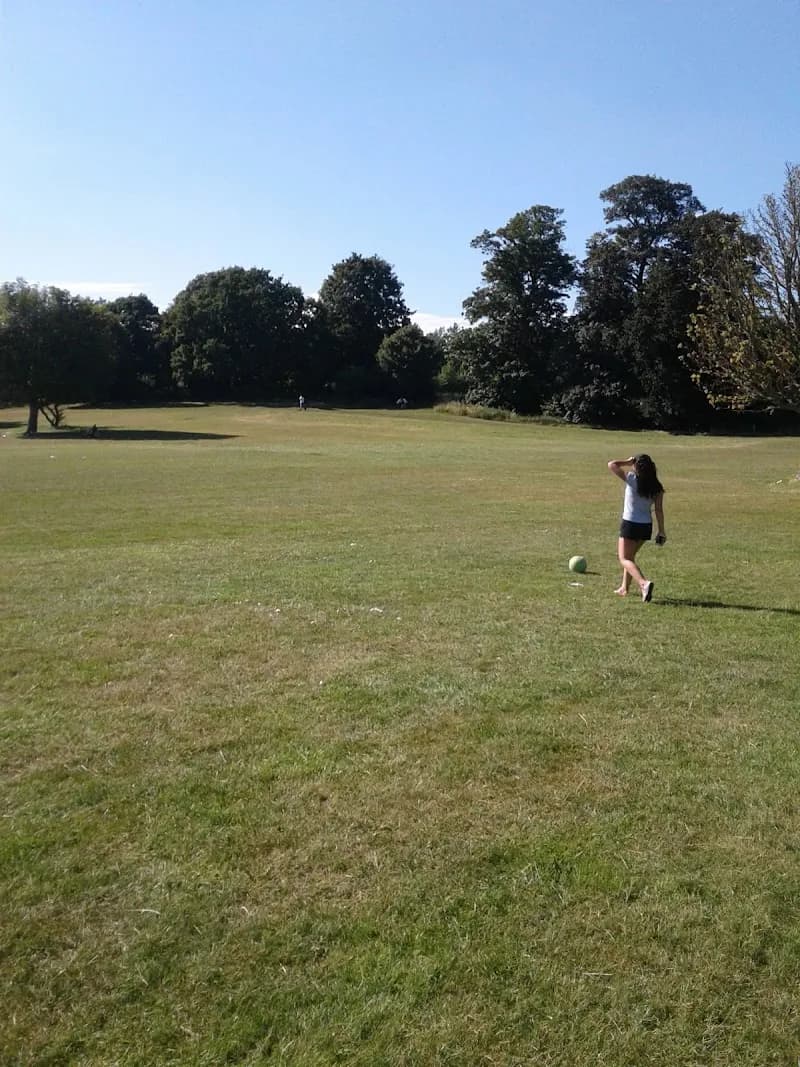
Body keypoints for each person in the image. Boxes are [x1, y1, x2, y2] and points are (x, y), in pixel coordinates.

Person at [607, 454, 666, 602]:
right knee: (630, 557)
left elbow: (612, 464)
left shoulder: (632, 479)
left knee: (624, 558)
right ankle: (624, 588)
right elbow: (658, 510)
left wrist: (627, 461)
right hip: (646, 526)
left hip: (631, 524)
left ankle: (643, 583)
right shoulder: (657, 487)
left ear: (637, 467)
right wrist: (661, 530)